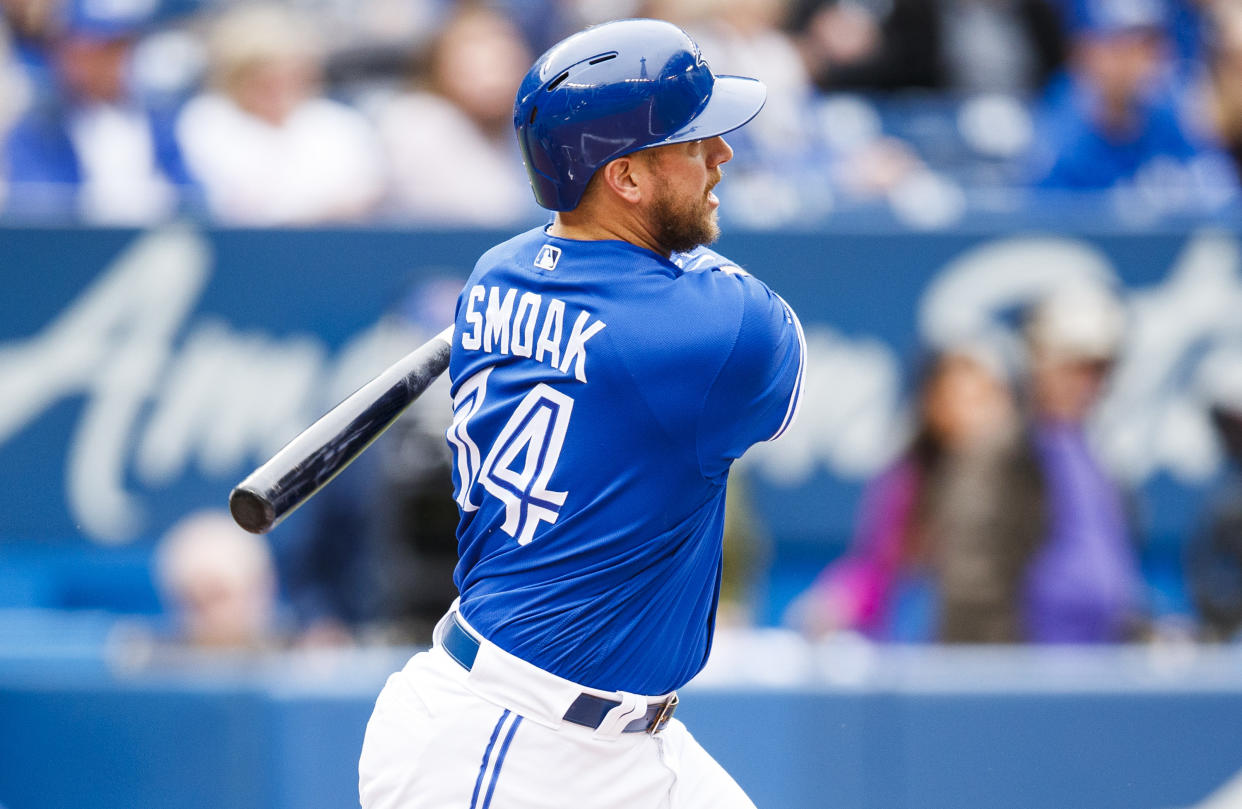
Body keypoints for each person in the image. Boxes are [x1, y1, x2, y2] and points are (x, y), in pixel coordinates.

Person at [358, 18, 805, 809]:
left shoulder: (498, 273)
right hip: (509, 741)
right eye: (693, 142)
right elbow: (758, 338)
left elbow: (612, 269)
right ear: (625, 178)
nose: (722, 156)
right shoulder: (714, 329)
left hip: (622, 739)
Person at [789, 343, 1045, 643]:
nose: (977, 415)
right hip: (922, 647)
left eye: (985, 398)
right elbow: (876, 566)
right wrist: (838, 601)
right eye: (962, 399)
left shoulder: (1029, 473)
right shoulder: (908, 479)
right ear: (933, 404)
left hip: (1006, 644)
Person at [174, 3, 384, 225]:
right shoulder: (206, 119)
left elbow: (361, 197)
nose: (279, 87)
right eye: (263, 78)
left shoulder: (341, 125)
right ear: (236, 77)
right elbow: (228, 202)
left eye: (290, 74)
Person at [1020, 282, 1144, 642]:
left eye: (1100, 370)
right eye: (1075, 367)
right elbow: (981, 579)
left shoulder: (1095, 455)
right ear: (1038, 361)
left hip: (1098, 668)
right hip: (1031, 672)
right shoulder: (1012, 452)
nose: (1089, 384)